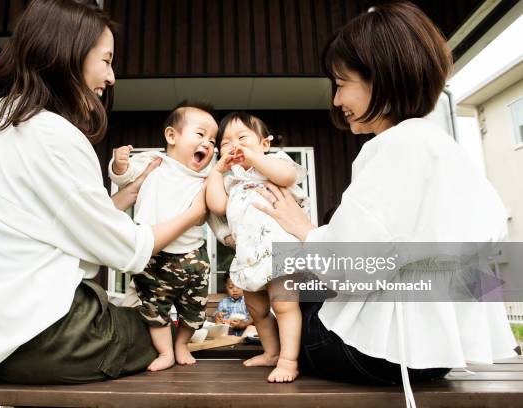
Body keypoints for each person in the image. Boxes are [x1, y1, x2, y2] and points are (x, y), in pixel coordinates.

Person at [252, 2, 516, 407]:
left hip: (377, 354)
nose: (337, 97)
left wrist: (302, 228)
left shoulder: (394, 146)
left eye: (341, 83)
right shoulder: (446, 150)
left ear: (382, 79)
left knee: (287, 301)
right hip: (437, 354)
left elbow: (347, 268)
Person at [0, 0, 208, 385]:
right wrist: (195, 211)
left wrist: (129, 193)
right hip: (53, 338)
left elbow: (66, 220)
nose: (112, 76)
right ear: (65, 54)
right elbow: (125, 249)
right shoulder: (53, 135)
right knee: (172, 332)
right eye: (105, 61)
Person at [109, 101, 229, 371]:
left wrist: (227, 237)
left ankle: (182, 343)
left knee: (194, 308)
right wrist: (119, 164)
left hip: (193, 256)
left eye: (213, 140)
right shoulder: (154, 162)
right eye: (200, 135)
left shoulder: (207, 178)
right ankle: (166, 352)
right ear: (171, 136)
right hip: (153, 254)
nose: (208, 144)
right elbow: (123, 177)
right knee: (154, 308)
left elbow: (214, 214)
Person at [206, 111, 311, 382]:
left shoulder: (274, 161)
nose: (233, 145)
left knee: (285, 305)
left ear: (264, 143)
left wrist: (255, 159)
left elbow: (287, 177)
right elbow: (217, 206)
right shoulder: (232, 179)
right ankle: (272, 353)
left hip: (280, 250)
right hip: (249, 257)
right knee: (257, 310)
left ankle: (289, 361)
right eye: (225, 143)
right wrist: (217, 172)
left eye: (242, 137)